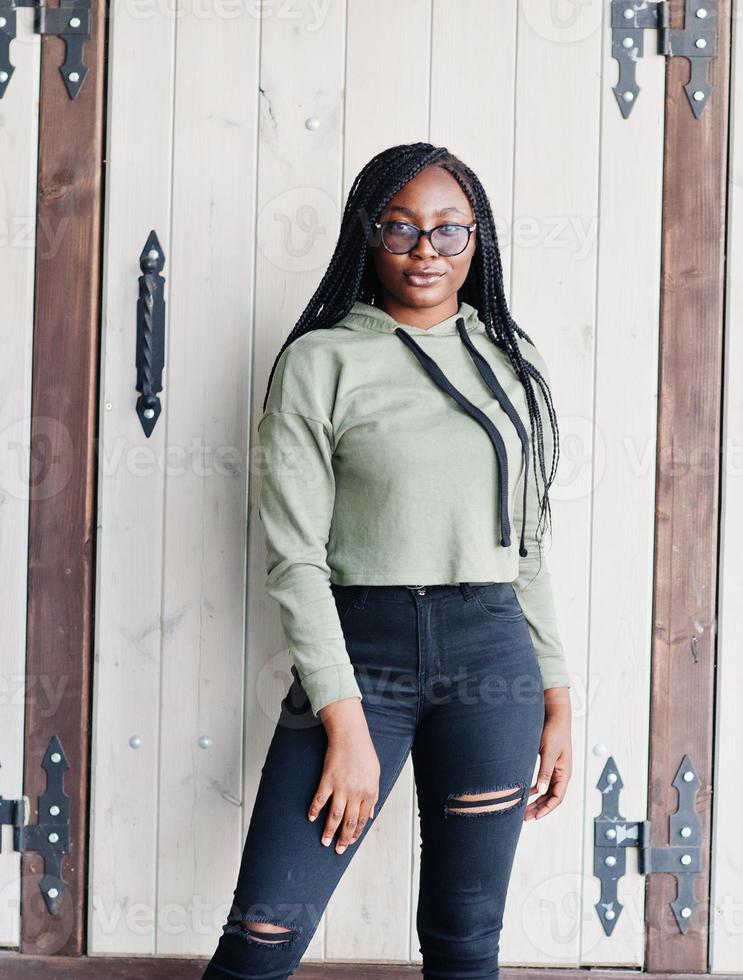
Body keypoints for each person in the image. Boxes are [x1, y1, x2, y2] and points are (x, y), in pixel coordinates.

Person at [203, 142, 573, 979]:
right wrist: (343, 722)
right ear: (365, 236)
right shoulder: (320, 362)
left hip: (493, 663)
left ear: (477, 240)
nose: (424, 251)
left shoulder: (512, 362)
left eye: (449, 231)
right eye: (400, 228)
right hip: (361, 658)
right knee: (263, 937)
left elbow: (529, 547)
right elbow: (294, 560)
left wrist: (556, 694)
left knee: (465, 941)